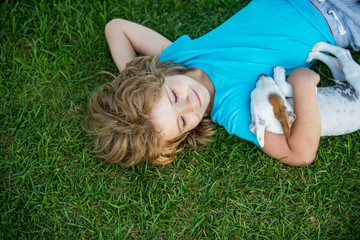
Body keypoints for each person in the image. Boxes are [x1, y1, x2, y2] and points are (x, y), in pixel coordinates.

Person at [86, 0, 360, 167]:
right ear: (184, 136)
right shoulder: (235, 111)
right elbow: (300, 154)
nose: (190, 105)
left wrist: (133, 79)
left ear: (157, 76)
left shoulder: (176, 58)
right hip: (340, 21)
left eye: (173, 97)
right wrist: (302, 86)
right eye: (182, 122)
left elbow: (117, 27)